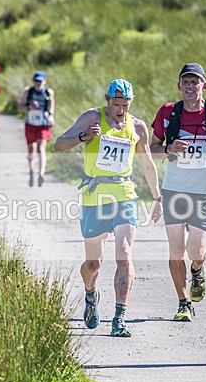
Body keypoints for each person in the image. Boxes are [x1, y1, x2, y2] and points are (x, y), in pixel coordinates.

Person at [54, 79, 162, 337]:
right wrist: (83, 136)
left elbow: (147, 164)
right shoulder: (92, 117)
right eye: (116, 104)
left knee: (124, 255)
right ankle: (91, 294)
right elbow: (59, 144)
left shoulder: (137, 127)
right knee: (93, 265)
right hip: (95, 197)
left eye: (125, 105)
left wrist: (158, 198)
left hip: (124, 194)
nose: (120, 110)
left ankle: (119, 318)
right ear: (107, 100)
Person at [149, 63, 206, 322]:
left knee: (195, 252)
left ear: (204, 86)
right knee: (176, 253)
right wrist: (168, 149)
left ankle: (198, 269)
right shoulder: (168, 113)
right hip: (174, 191)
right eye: (185, 82)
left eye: (195, 82)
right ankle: (183, 302)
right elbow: (149, 149)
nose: (190, 87)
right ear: (179, 86)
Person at [17, 71, 55, 187]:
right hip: (30, 124)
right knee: (31, 149)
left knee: (41, 147)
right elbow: (20, 108)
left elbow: (51, 108)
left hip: (42, 125)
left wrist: (50, 117)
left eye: (40, 81)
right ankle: (31, 172)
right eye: (36, 81)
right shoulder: (28, 92)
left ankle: (41, 174)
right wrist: (29, 107)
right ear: (33, 82)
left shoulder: (48, 92)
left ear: (44, 82)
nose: (38, 83)